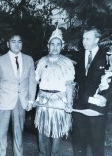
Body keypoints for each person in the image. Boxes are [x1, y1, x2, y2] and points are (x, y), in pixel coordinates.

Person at [0, 35, 37, 156]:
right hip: (3, 102)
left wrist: (31, 101)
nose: (16, 44)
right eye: (13, 42)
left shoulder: (29, 59)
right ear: (8, 44)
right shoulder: (0, 60)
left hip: (21, 102)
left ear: (22, 44)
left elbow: (32, 82)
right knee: (1, 133)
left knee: (18, 134)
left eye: (19, 42)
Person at [34, 27, 75, 156]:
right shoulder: (41, 61)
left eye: (58, 44)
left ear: (62, 46)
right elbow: (35, 81)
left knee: (57, 133)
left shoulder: (67, 62)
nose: (55, 47)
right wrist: (34, 99)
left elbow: (69, 85)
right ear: (48, 45)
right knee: (42, 131)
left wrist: (69, 103)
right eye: (52, 44)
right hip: (43, 101)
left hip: (59, 102)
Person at [72, 26, 112, 156]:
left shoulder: (107, 56)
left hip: (97, 105)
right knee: (79, 142)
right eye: (83, 38)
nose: (84, 41)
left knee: (97, 143)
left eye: (88, 39)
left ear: (97, 39)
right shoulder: (78, 55)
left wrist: (106, 97)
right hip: (79, 105)